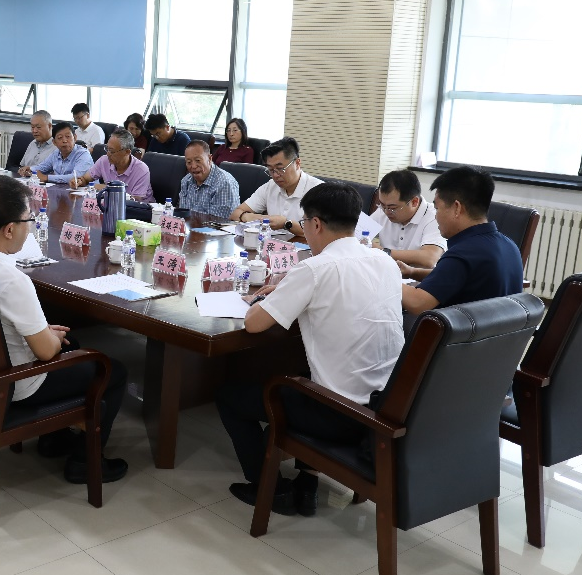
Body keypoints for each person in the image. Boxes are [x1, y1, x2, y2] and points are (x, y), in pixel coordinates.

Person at [217, 183, 404, 516]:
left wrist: (272, 296)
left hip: (339, 414)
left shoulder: (315, 269)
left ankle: (271, 490)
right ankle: (307, 482)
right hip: (386, 407)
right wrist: (289, 286)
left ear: (315, 224)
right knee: (310, 370)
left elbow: (254, 324)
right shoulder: (384, 261)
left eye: (304, 223)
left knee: (230, 395)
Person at [0, 176, 129, 484]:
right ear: (9, 230)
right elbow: (46, 352)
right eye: (28, 220)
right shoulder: (10, 279)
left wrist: (46, 332)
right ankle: (85, 463)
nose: (30, 227)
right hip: (14, 384)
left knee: (72, 342)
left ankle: (53, 439)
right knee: (112, 370)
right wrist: (50, 337)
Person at [400, 166, 523, 314]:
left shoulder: (463, 254)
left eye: (437, 208)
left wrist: (382, 275)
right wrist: (412, 272)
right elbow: (454, 278)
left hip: (460, 329)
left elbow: (417, 302)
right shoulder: (510, 245)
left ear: (457, 208)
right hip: (497, 328)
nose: (435, 216)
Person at [229, 137, 322, 239]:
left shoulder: (318, 191)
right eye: (270, 170)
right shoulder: (271, 186)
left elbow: (323, 233)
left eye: (280, 169)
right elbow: (235, 213)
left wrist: (286, 223)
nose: (275, 175)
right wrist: (251, 217)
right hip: (274, 246)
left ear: (297, 163)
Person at [371, 169, 445, 268]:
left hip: (418, 277)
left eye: (393, 208)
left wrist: (383, 251)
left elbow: (430, 258)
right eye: (382, 205)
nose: (386, 212)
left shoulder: (434, 216)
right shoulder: (384, 209)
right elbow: (355, 234)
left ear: (414, 202)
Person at [69, 129, 154, 202]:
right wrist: (79, 181)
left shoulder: (141, 170)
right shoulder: (104, 160)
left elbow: (136, 200)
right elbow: (86, 178)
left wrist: (109, 189)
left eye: (112, 151)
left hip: (140, 211)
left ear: (127, 152)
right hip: (111, 205)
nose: (108, 154)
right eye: (107, 149)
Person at [179, 139, 240, 218]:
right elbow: (183, 215)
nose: (193, 166)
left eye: (198, 160)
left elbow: (219, 221)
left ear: (210, 159)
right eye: (189, 162)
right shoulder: (186, 181)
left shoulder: (224, 183)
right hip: (191, 224)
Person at [16, 110, 55, 176]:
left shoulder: (57, 147)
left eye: (38, 127)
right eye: (32, 127)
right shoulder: (32, 143)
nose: (34, 131)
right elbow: (22, 166)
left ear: (49, 126)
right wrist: (22, 170)